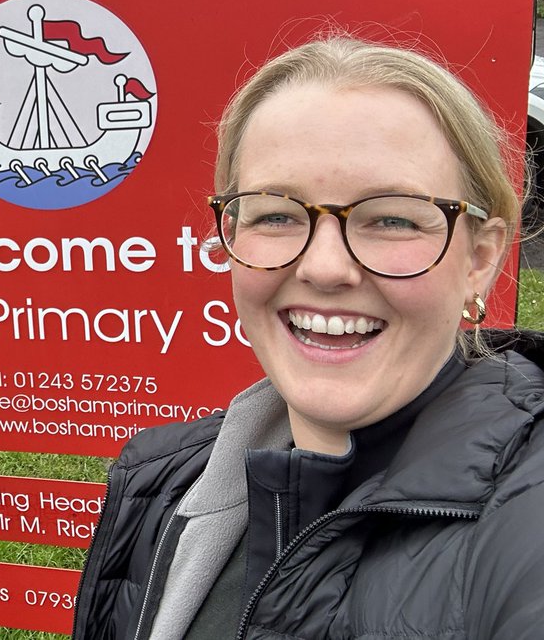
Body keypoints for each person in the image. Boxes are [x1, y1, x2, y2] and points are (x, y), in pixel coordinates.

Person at [72, 37, 544, 639]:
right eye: (276, 214)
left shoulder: (526, 520)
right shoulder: (160, 482)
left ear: (480, 258)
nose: (323, 268)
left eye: (392, 218)